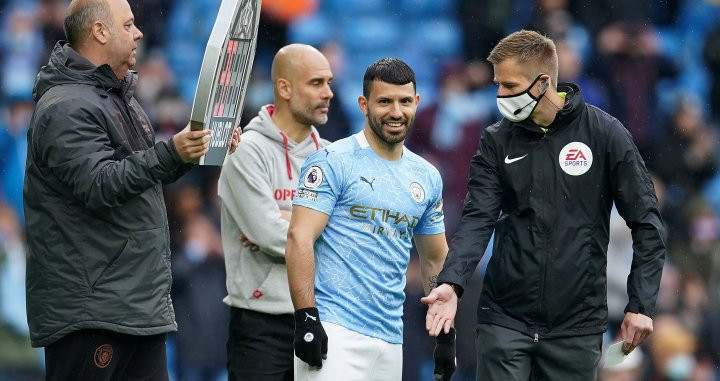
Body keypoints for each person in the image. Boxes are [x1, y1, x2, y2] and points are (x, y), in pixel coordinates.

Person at [422, 30, 666, 380]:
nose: (500, 95)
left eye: (508, 86)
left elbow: (647, 222)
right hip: (505, 319)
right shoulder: (496, 140)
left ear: (542, 83)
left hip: (577, 326)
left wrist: (641, 305)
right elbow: (478, 219)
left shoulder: (605, 134)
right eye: (497, 85)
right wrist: (452, 282)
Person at [23, 0, 240, 379]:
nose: (139, 33)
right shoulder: (66, 105)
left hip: (135, 308)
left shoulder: (120, 99)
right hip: (92, 313)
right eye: (128, 25)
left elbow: (142, 175)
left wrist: (196, 150)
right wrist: (172, 152)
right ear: (99, 32)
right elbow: (101, 184)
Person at [286, 58, 456, 381]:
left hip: (391, 340)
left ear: (417, 103)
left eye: (405, 101)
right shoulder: (332, 161)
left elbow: (434, 258)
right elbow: (299, 237)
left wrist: (445, 336)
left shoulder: (427, 177)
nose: (396, 111)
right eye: (384, 101)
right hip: (334, 331)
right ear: (364, 104)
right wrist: (306, 318)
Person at [218, 43, 333, 381]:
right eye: (316, 83)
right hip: (261, 324)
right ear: (284, 87)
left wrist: (288, 221)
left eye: (329, 82)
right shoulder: (246, 152)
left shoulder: (331, 157)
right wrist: (311, 228)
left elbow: (348, 237)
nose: (328, 93)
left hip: (322, 315)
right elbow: (271, 235)